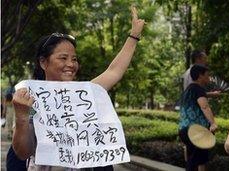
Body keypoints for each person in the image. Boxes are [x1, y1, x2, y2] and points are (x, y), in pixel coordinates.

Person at [11, 6, 144, 171]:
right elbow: (23, 153)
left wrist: (134, 35)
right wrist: (21, 117)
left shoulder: (85, 94)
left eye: (74, 59)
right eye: (63, 58)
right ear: (43, 62)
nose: (71, 64)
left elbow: (114, 71)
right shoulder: (28, 98)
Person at [179, 64, 218, 171]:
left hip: (184, 130)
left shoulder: (188, 90)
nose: (209, 78)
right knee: (197, 161)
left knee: (194, 160)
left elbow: (201, 95)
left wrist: (212, 94)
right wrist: (213, 123)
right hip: (196, 130)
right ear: (200, 76)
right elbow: (204, 106)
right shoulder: (199, 90)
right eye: (207, 75)